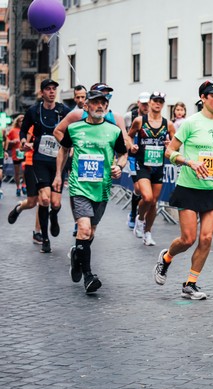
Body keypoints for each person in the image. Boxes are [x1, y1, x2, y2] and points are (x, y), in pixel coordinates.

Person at [153, 80, 213, 299]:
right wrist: (190, 162)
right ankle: (167, 257)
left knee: (206, 238)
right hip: (188, 187)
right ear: (203, 98)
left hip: (212, 187)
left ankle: (190, 283)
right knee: (187, 239)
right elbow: (169, 152)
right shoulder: (190, 123)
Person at [53, 90, 128, 293]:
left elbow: (123, 154)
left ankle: (77, 256)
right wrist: (58, 176)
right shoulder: (75, 128)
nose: (100, 106)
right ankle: (88, 276)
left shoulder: (113, 131)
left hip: (102, 187)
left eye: (103, 102)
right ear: (86, 106)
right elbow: (63, 150)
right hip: (79, 187)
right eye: (96, 102)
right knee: (84, 229)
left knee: (90, 232)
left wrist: (119, 166)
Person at [11, 79, 71, 253]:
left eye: (54, 89)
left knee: (56, 203)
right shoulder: (34, 111)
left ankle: (54, 215)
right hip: (39, 160)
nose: (52, 92)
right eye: (48, 89)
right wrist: (23, 141)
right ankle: (45, 238)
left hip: (59, 161)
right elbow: (24, 130)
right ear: (42, 92)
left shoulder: (63, 111)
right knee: (44, 200)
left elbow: (72, 129)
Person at [128, 91, 175, 245]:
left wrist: (170, 146)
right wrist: (132, 145)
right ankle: (140, 219)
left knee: (154, 202)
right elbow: (129, 136)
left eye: (160, 101)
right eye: (155, 100)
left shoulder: (168, 124)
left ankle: (147, 233)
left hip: (158, 166)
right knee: (147, 197)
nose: (157, 103)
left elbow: (175, 144)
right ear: (149, 102)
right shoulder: (140, 121)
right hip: (142, 165)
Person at [124, 92, 151, 229]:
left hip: (148, 157)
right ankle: (133, 213)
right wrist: (129, 145)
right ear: (138, 103)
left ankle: (141, 214)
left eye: (148, 103)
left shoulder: (153, 117)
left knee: (146, 191)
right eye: (143, 103)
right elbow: (125, 134)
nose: (146, 106)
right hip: (133, 155)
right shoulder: (130, 117)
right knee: (138, 188)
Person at [7, 115, 25, 196]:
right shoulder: (13, 130)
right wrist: (12, 141)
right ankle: (18, 187)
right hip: (16, 153)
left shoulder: (26, 130)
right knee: (17, 172)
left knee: (26, 171)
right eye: (20, 121)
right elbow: (7, 141)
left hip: (25, 153)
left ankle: (24, 185)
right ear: (17, 122)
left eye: (23, 121)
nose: (22, 123)